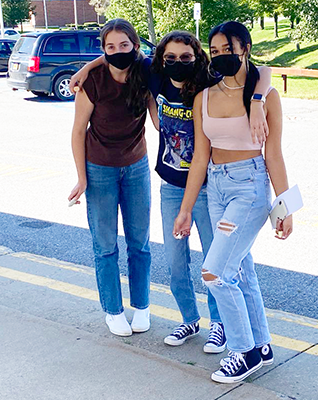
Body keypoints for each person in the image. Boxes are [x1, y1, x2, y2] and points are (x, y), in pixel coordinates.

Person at [70, 29, 274, 353]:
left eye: (186, 57)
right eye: (171, 58)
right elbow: (122, 53)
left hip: (209, 187)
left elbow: (263, 72)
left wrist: (260, 100)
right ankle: (189, 319)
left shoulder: (208, 82)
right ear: (162, 60)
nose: (178, 63)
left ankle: (219, 325)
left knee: (214, 262)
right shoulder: (156, 78)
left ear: (197, 58)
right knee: (176, 263)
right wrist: (85, 69)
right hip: (171, 187)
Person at [172, 21, 293, 384]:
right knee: (239, 269)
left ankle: (243, 351)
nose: (223, 55)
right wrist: (185, 208)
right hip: (216, 187)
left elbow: (274, 153)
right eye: (218, 50)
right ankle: (261, 342)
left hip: (250, 187)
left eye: (230, 48)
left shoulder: (265, 96)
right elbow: (198, 157)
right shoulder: (204, 96)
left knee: (214, 272)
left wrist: (285, 208)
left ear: (246, 48)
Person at [68, 19, 155, 337]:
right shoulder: (94, 81)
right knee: (105, 246)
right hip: (100, 168)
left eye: (124, 45)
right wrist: (82, 177)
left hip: (137, 166)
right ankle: (113, 311)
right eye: (110, 47)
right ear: (103, 51)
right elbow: (78, 132)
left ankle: (142, 306)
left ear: (135, 46)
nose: (117, 52)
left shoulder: (145, 72)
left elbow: (158, 119)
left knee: (140, 243)